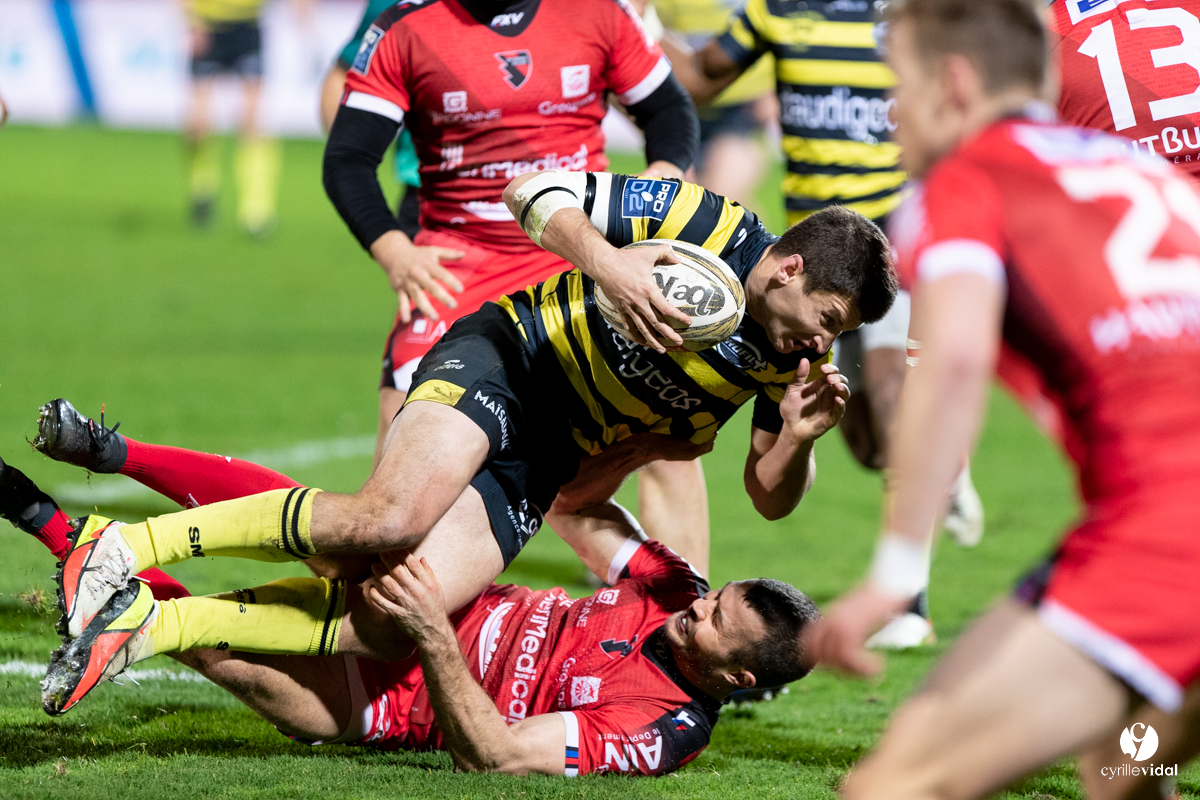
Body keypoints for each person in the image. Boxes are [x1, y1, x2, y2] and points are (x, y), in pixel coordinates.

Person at [36, 171, 894, 710]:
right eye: (827, 318)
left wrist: (802, 439)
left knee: (394, 615)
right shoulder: (703, 222)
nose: (825, 342)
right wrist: (611, 263)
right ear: (789, 269)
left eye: (838, 333)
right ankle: (125, 549)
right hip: (509, 358)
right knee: (388, 518)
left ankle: (150, 623)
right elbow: (534, 191)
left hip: (552, 451)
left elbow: (768, 497)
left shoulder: (788, 362)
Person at [807, 4, 1200, 800]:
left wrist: (894, 574)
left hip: (1171, 534)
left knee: (895, 785)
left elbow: (951, 363)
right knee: (1123, 768)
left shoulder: (969, 180)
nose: (890, 114)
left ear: (953, 84)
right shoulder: (1142, 169)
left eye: (899, 85)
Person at [0, 449, 820, 775]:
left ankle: (57, 527)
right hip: (445, 590)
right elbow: (570, 506)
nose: (696, 611)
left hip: (403, 701)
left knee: (235, 665)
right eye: (714, 597)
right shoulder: (672, 588)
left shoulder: (661, 730)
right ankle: (119, 459)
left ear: (739, 678)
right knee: (340, 532)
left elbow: (496, 756)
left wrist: (432, 636)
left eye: (716, 625)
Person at [322, 0, 717, 575]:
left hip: (582, 261)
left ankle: (687, 616)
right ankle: (386, 612)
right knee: (399, 469)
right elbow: (348, 158)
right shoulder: (405, 26)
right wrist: (395, 251)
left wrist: (664, 175)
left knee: (666, 437)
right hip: (459, 270)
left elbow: (668, 109)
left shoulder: (599, 11)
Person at [665, 0, 988, 647]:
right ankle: (942, 461)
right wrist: (637, 30)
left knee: (894, 401)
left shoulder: (917, 17)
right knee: (869, 447)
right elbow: (699, 80)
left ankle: (907, 603)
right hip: (815, 266)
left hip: (901, 247)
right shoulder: (778, 10)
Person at [184, 0, 303, 235]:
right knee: (198, 125)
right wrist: (192, 21)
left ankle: (256, 210)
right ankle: (202, 185)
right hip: (208, 26)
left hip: (247, 27)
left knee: (251, 121)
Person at [318, 0, 421, 240]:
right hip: (433, 197)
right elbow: (342, 74)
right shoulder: (400, 4)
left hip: (514, 188)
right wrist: (349, 162)